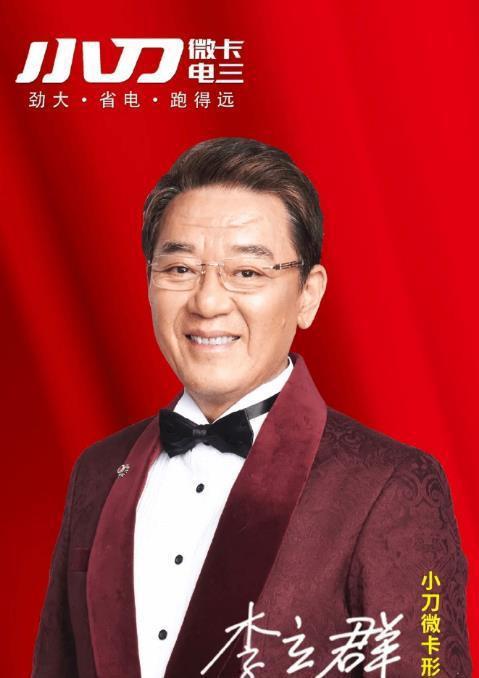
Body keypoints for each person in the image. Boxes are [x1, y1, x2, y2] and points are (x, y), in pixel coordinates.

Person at [32, 137, 471, 678]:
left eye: (247, 272)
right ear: (148, 283)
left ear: (308, 294)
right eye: (180, 269)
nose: (208, 302)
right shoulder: (98, 471)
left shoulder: (392, 486)